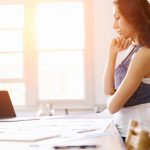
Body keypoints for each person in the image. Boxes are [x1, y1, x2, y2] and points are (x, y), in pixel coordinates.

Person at [103, 0, 150, 141]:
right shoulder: (134, 49)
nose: (114, 25)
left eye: (117, 18)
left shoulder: (145, 54)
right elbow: (109, 91)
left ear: (133, 17)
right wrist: (112, 54)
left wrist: (109, 102)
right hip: (125, 131)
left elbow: (112, 106)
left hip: (140, 134)